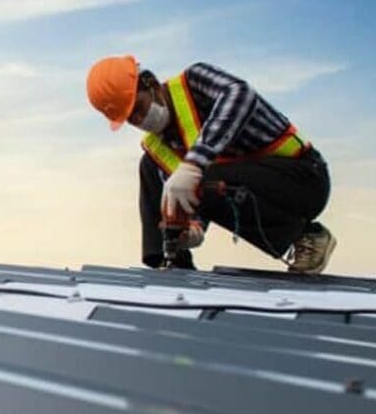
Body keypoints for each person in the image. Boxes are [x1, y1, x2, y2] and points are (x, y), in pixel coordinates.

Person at [86, 54, 336, 273]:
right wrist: (192, 228)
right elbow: (199, 193)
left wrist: (194, 163)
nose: (141, 120)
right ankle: (170, 260)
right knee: (149, 166)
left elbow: (240, 94)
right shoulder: (159, 146)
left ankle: (308, 235)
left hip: (304, 180)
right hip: (247, 189)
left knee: (200, 174)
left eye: (139, 108)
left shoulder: (194, 82)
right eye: (132, 119)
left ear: (150, 83)